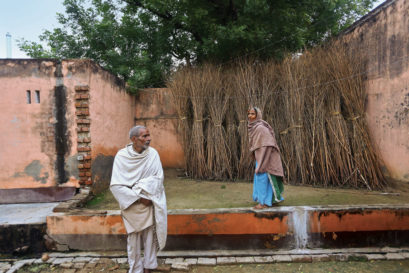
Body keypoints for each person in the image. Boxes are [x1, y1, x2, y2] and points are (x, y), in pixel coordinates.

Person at [110, 125, 167, 273]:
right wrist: (138, 197)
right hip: (131, 204)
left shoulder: (153, 154)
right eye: (144, 136)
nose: (149, 139)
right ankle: (135, 268)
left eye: (149, 135)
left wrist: (143, 191)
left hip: (149, 201)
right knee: (133, 239)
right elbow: (116, 185)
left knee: (150, 236)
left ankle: (149, 266)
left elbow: (158, 178)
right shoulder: (122, 156)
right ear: (134, 139)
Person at [248, 107, 284, 209]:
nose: (250, 116)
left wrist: (263, 160)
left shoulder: (261, 128)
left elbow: (268, 144)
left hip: (266, 159)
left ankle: (263, 203)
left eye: (252, 114)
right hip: (261, 157)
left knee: (262, 179)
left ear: (258, 115)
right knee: (264, 179)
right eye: (249, 114)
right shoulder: (255, 127)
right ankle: (272, 200)